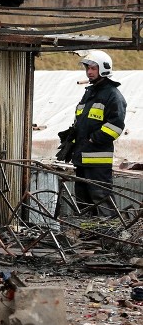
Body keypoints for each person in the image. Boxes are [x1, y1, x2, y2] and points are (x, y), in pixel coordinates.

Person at [58, 50, 126, 216]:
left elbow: (116, 126)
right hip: (82, 158)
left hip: (97, 161)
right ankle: (90, 236)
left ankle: (109, 237)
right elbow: (82, 123)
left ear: (104, 69)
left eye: (93, 68)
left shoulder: (112, 95)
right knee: (83, 201)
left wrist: (91, 139)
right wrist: (71, 138)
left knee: (101, 199)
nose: (89, 72)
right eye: (87, 68)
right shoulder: (89, 93)